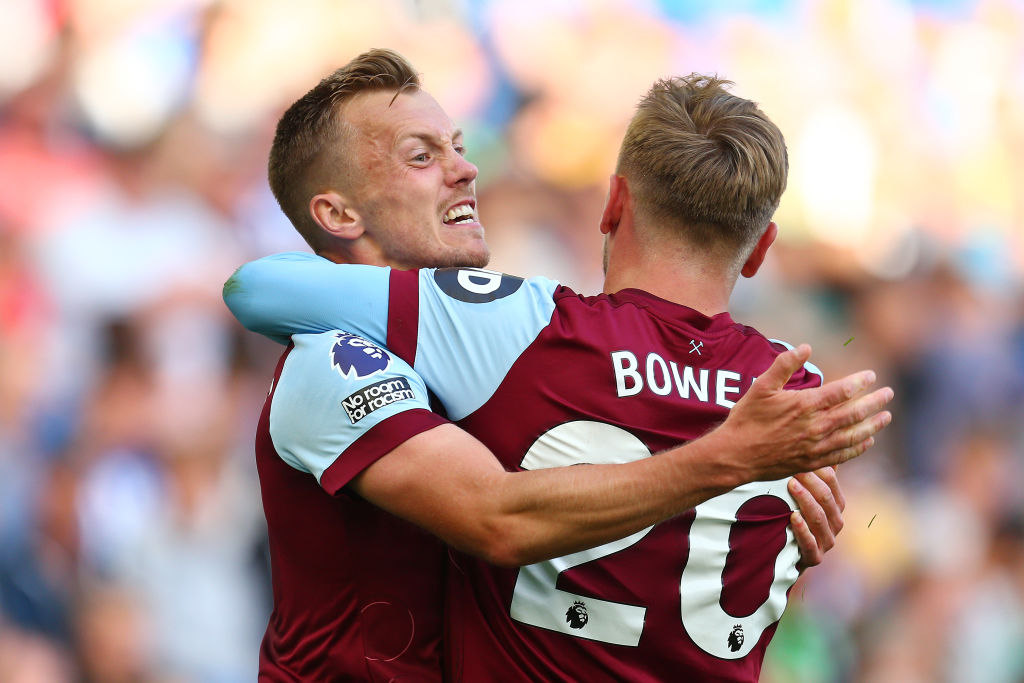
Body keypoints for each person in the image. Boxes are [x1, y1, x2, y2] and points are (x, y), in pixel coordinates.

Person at [225, 49, 892, 681]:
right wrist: (731, 462)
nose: (466, 169)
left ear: (615, 204)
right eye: (422, 155)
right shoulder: (335, 359)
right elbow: (498, 517)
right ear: (337, 211)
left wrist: (777, 544)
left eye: (459, 146)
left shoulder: (515, 341)